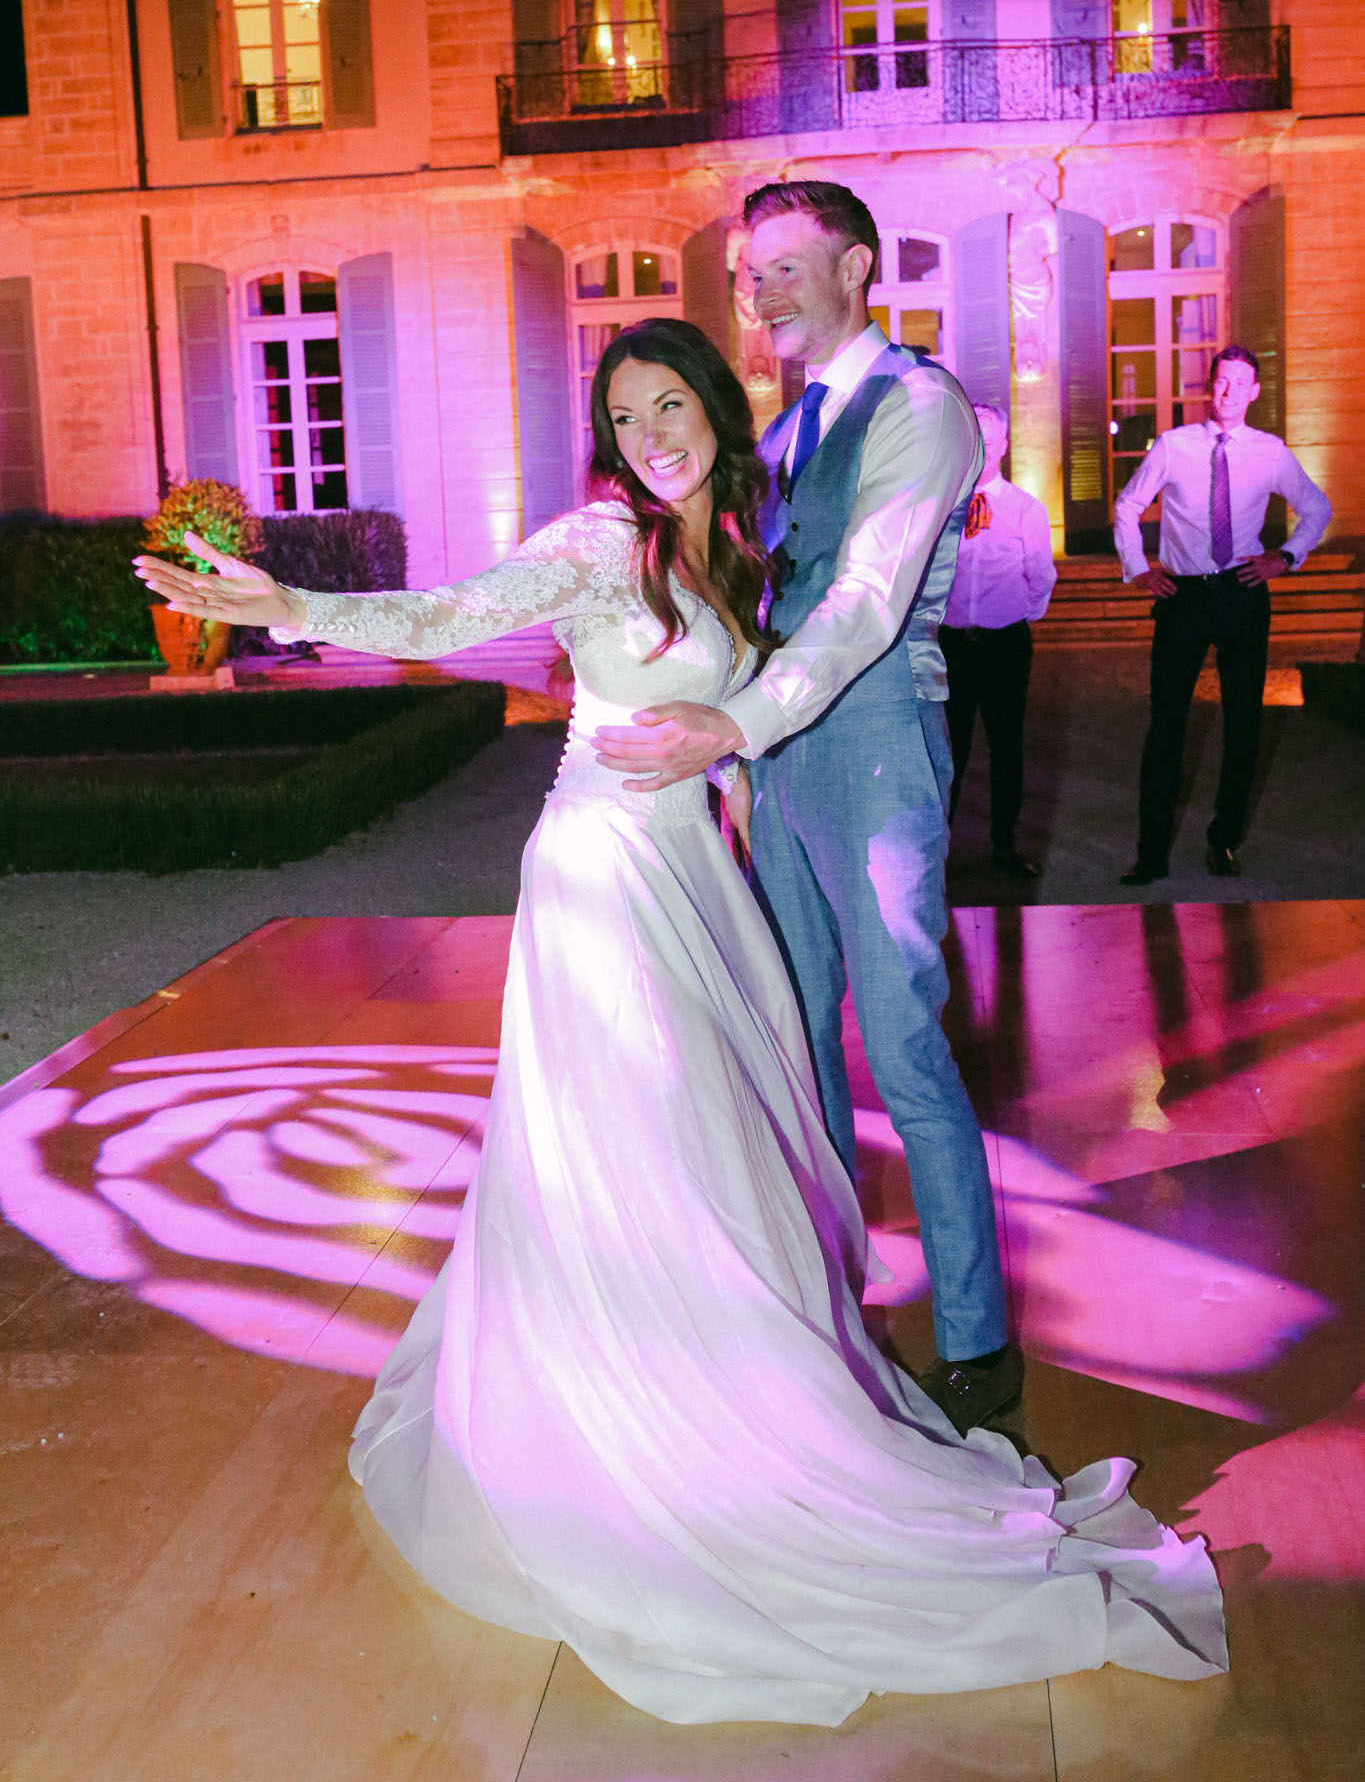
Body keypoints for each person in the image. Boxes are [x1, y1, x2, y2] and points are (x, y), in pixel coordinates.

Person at [133, 318, 1224, 1728]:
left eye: (670, 404)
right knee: (637, 1159)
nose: (651, 433)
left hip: (693, 881)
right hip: (604, 887)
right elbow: (452, 612)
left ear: (714, 409)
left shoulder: (729, 556)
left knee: (710, 1163)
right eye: (625, 412)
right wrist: (290, 606)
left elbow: (787, 683)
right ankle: (644, 1430)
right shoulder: (602, 540)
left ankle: (732, 1402)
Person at [594, 181, 1019, 1437]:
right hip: (774, 765)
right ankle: (832, 1306)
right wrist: (731, 758)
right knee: (793, 1044)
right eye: (751, 272)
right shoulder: (777, 438)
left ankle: (977, 1341)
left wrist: (739, 724)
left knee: (906, 1048)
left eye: (787, 266)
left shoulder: (923, 404)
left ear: (857, 267)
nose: (762, 292)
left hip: (876, 746)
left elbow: (866, 602)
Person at [1114, 344, 1332, 884]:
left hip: (1242, 593)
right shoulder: (1175, 444)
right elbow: (1127, 505)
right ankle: (1151, 852)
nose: (1230, 390)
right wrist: (1138, 568)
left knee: (1243, 722)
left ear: (1254, 392)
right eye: (1222, 380)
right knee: (1166, 724)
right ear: (1209, 386)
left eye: (1241, 382)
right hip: (1182, 596)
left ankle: (1225, 840)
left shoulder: (1270, 451)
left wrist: (1284, 556)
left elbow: (1317, 507)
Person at [941, 401, 1057, 880]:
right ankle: (938, 850)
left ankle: (1004, 847)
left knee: (1007, 746)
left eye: (990, 436)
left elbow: (1041, 576)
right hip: (950, 645)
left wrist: (1011, 618)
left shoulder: (1024, 508)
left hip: (1003, 644)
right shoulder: (944, 505)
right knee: (950, 750)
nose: (982, 446)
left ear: (1005, 445)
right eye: (975, 435)